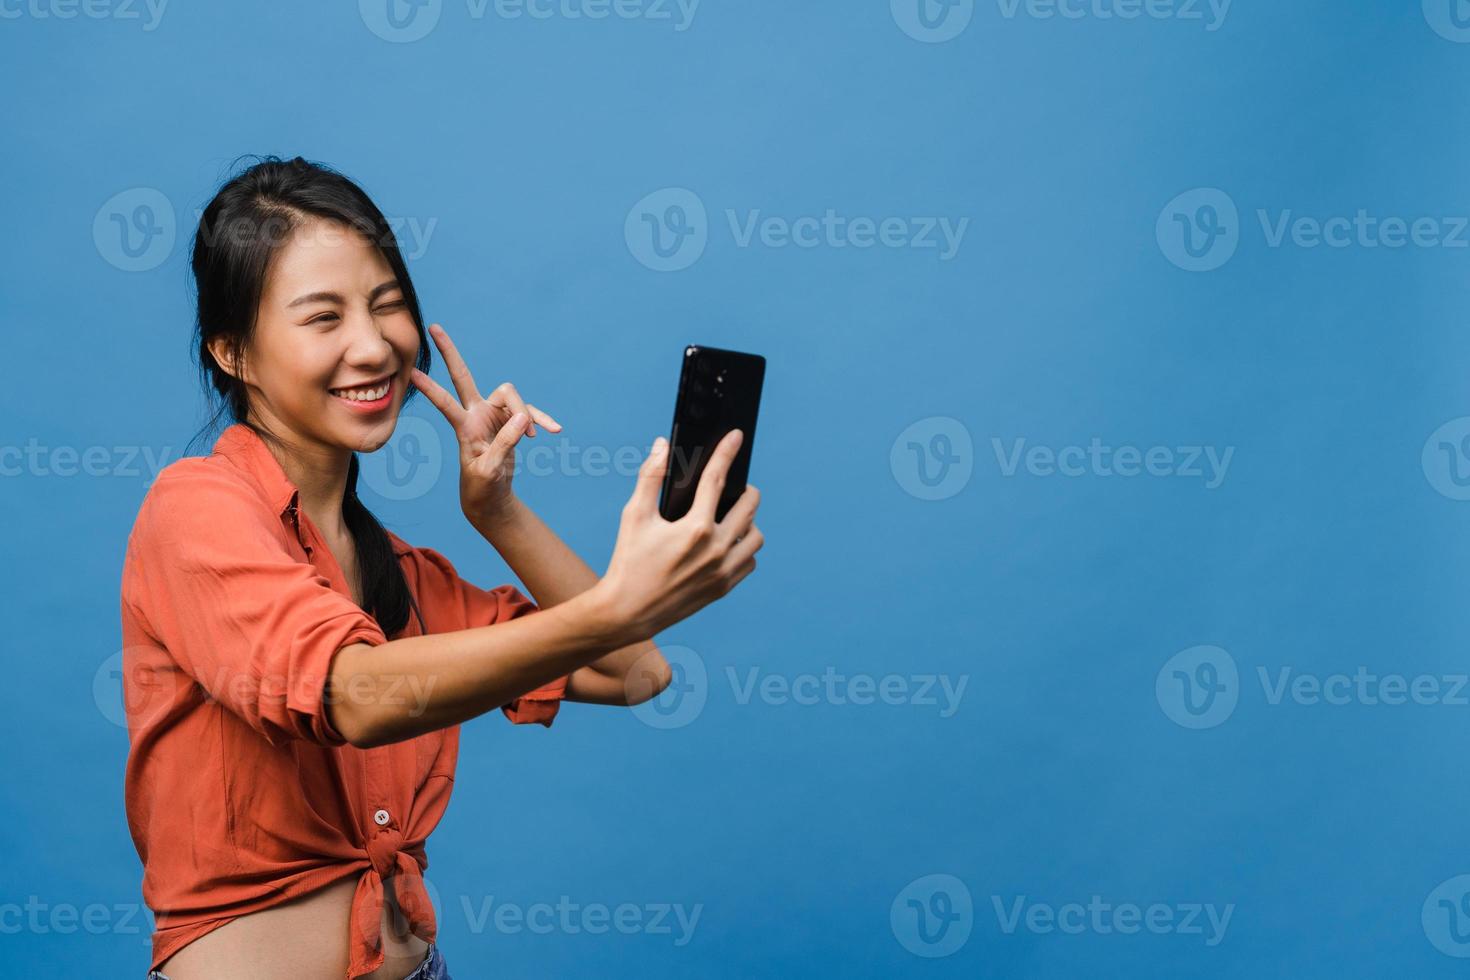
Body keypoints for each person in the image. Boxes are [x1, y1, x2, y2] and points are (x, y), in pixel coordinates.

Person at [119, 156, 763, 980]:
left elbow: (634, 669)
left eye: (388, 305)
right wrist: (619, 604)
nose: (374, 343)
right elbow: (353, 694)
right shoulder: (194, 510)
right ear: (234, 351)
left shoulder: (403, 576)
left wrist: (498, 514)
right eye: (323, 318)